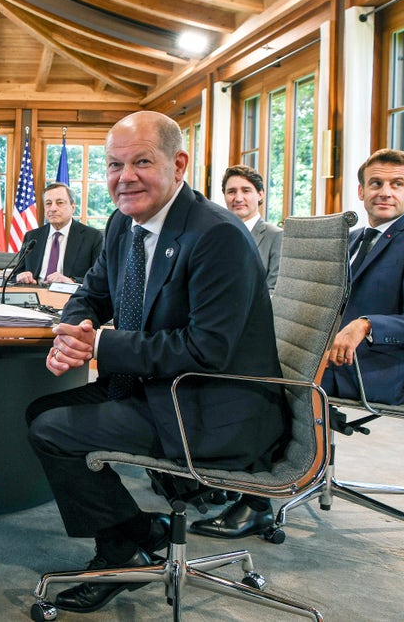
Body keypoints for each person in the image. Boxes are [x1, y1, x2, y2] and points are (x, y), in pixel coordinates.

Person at [24, 111, 284, 614]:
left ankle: (121, 548)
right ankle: (139, 532)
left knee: (54, 430)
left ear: (179, 164)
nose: (125, 177)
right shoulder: (125, 222)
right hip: (156, 386)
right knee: (39, 414)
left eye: (142, 161)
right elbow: (91, 292)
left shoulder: (217, 235)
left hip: (211, 405)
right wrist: (74, 330)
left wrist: (100, 346)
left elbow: (206, 349)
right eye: (114, 165)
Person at [193, 148, 404, 540]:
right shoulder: (350, 240)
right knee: (233, 364)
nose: (385, 192)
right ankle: (226, 472)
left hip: (378, 367)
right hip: (329, 355)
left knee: (267, 384)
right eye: (376, 184)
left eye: (396, 185)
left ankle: (257, 503)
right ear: (361, 191)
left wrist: (366, 324)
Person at [13, 182, 103, 285]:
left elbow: (99, 278)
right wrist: (21, 276)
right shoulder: (32, 236)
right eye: (48, 203)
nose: (53, 208)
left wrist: (71, 281)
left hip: (70, 295)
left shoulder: (92, 237)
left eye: (60, 203)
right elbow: (16, 274)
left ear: (73, 207)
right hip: (34, 292)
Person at [222, 165, 282, 293]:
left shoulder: (276, 236)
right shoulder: (217, 236)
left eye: (246, 190)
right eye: (231, 191)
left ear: (260, 194)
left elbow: (275, 291)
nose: (238, 198)